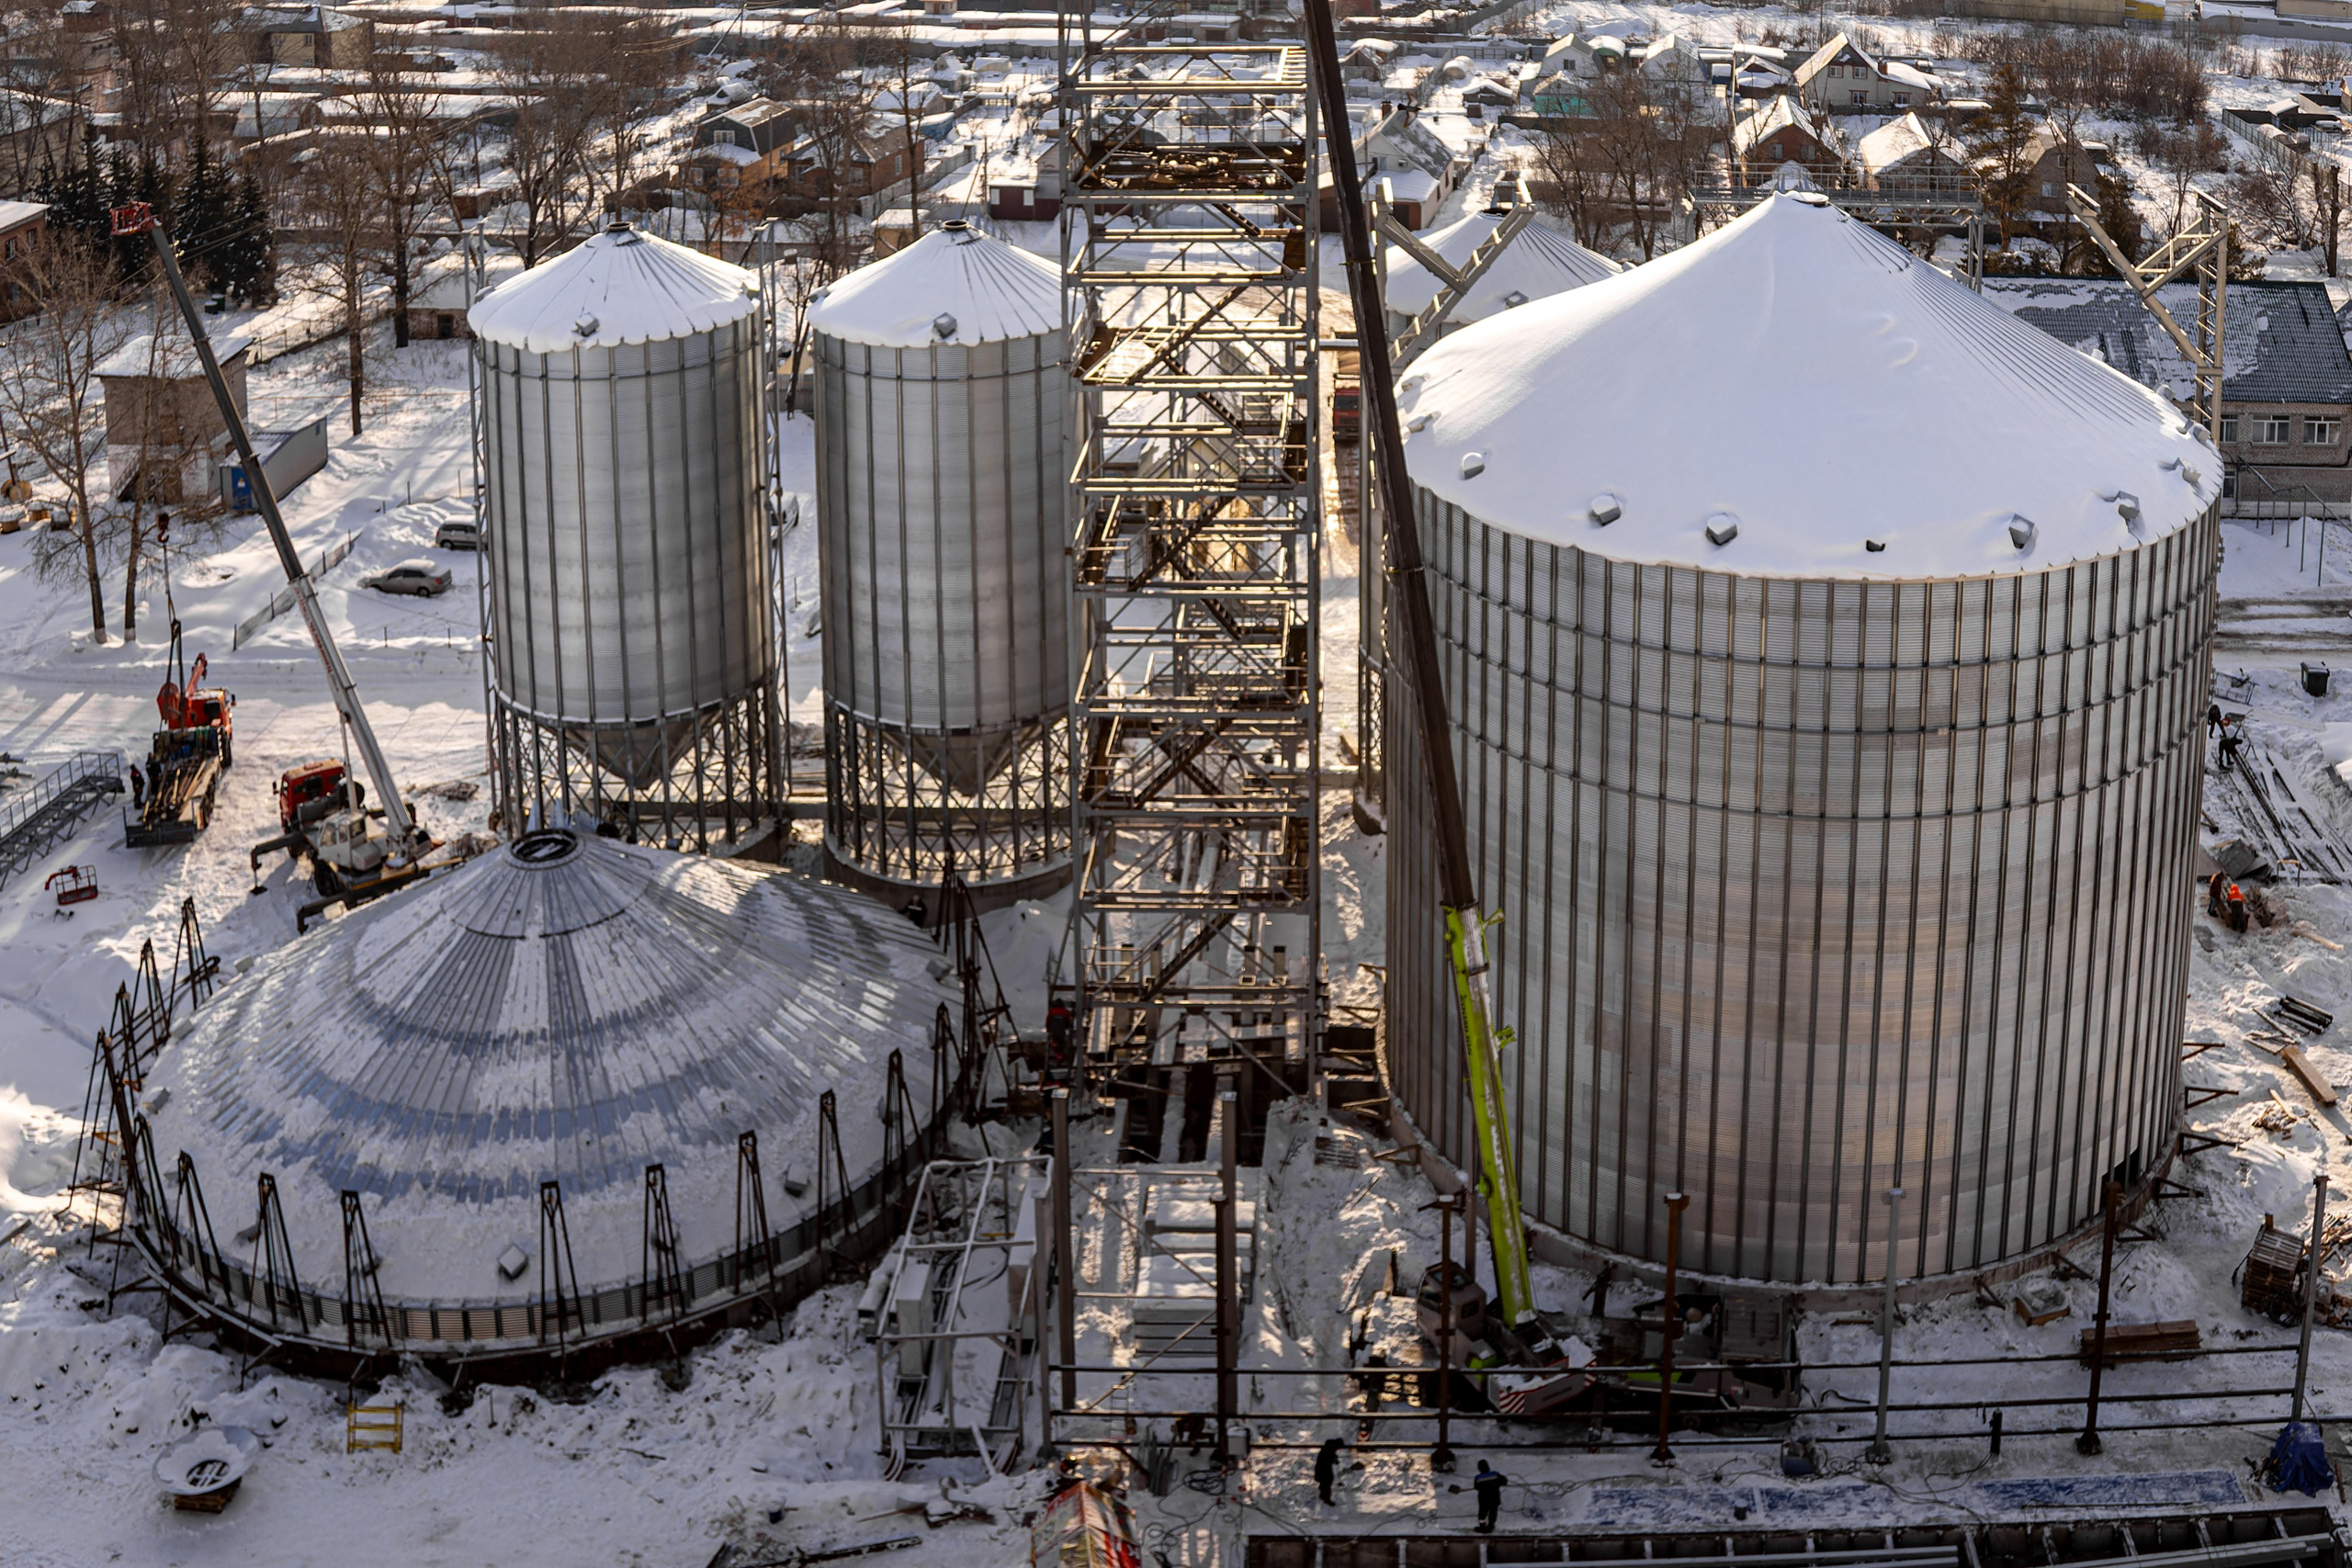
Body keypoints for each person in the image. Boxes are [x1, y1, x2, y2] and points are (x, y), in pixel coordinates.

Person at [1472, 1459, 1507, 1534]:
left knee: (1482, 1514)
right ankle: (1490, 1526)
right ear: (1488, 1467)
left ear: (1479, 1469)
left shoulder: (1478, 1478)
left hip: (1483, 1499)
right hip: (1494, 1498)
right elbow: (1504, 1481)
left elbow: (1476, 1487)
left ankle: (1482, 1527)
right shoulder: (1495, 1474)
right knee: (1493, 1513)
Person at [1315, 1436, 1347, 1506]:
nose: (1338, 1449)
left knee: (1326, 1481)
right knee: (1327, 1481)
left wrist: (1334, 1459)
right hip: (1323, 1468)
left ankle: (1323, 1495)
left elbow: (1330, 1455)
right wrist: (1334, 1460)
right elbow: (1327, 1458)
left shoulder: (1330, 1446)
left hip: (1324, 1468)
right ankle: (1326, 1498)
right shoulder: (1330, 1448)